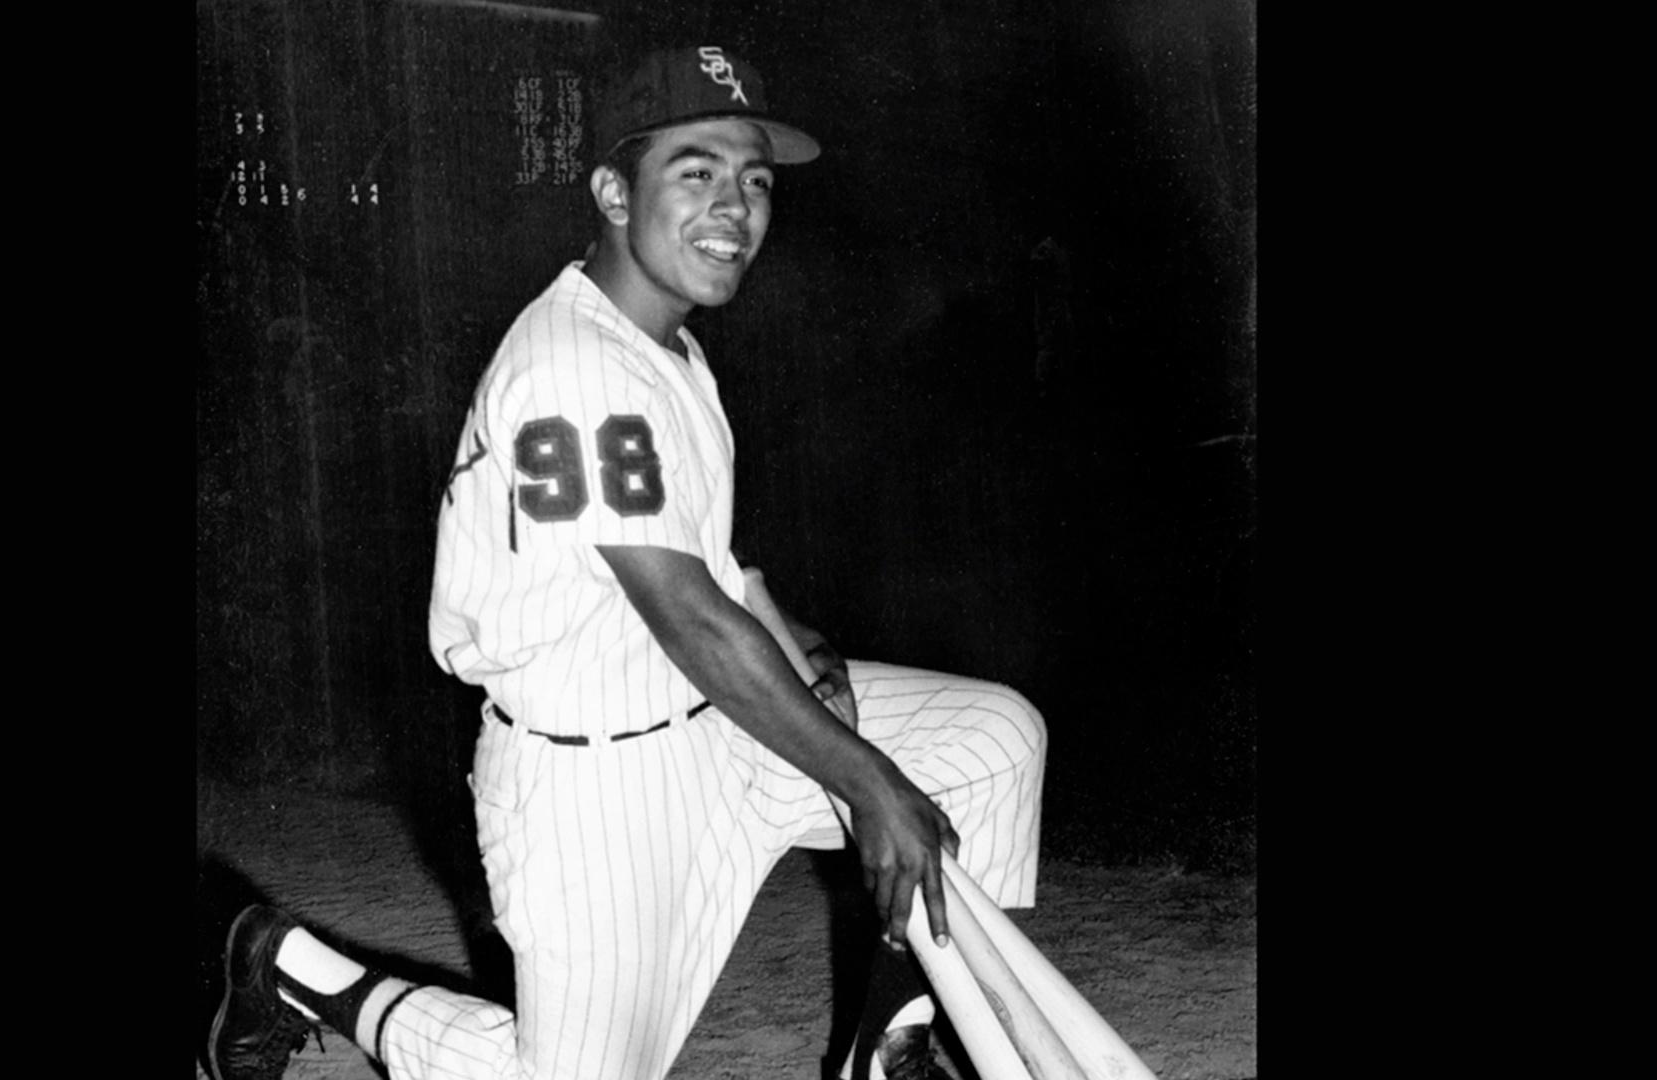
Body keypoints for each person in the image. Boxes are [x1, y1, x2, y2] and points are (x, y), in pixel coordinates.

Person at [208, 44, 1047, 1080]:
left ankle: (898, 1044)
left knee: (992, 741)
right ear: (612, 190)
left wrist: (793, 640)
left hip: (716, 730)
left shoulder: (663, 341)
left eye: (755, 180)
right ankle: (293, 969)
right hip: (593, 792)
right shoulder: (574, 365)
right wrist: (868, 783)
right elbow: (687, 614)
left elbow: (713, 554)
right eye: (695, 172)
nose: (734, 206)